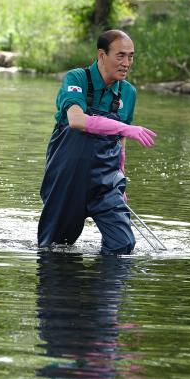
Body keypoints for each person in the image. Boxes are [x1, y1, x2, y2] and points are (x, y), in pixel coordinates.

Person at [38, 30, 157, 255]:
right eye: (120, 55)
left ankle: (99, 289)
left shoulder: (128, 93)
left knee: (122, 246)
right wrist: (125, 127)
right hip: (68, 182)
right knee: (53, 249)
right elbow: (76, 120)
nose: (127, 63)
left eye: (131, 56)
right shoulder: (76, 78)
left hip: (106, 183)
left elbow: (120, 143)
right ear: (102, 55)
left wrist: (121, 181)